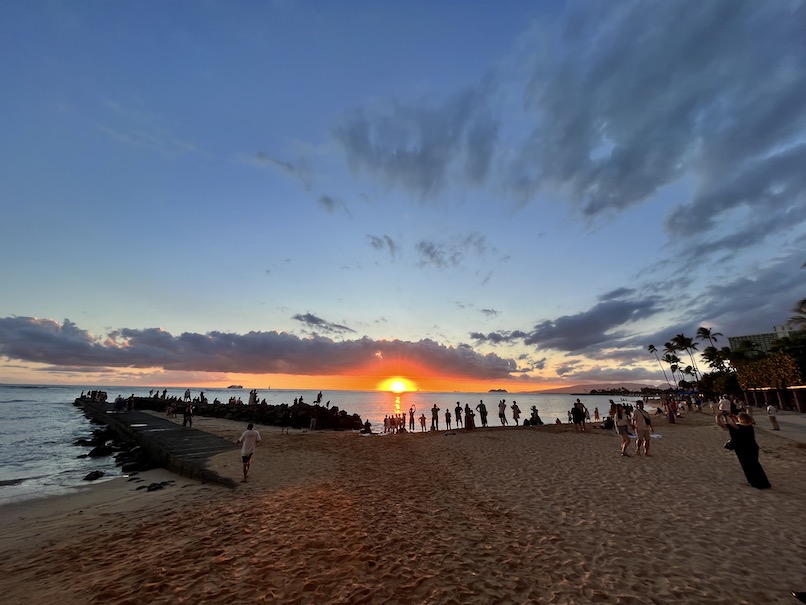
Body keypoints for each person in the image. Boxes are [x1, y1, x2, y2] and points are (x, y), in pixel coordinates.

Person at [717, 412, 771, 489]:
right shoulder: (749, 426)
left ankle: (754, 483)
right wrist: (731, 417)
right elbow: (736, 424)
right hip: (753, 448)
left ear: (741, 419)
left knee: (747, 467)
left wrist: (718, 416)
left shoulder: (737, 428)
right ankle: (764, 483)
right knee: (756, 465)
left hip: (743, 450)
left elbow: (721, 424)